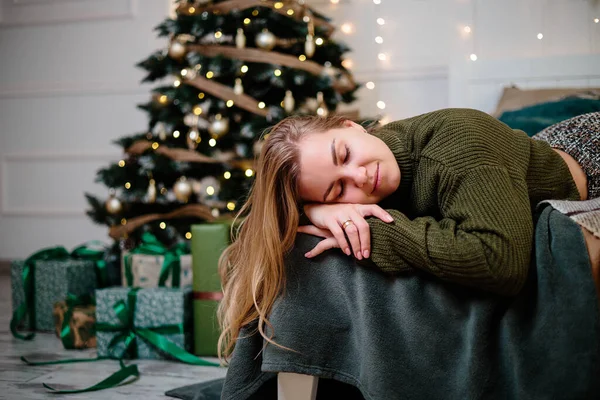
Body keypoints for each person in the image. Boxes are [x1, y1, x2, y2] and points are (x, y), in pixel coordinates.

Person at [217, 108, 600, 360]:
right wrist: (316, 209)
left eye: (345, 155)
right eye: (338, 189)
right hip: (539, 146)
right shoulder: (373, 164)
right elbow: (278, 220)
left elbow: (498, 259)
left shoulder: (455, 149)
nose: (361, 176)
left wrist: (374, 232)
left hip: (589, 153)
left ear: (351, 125)